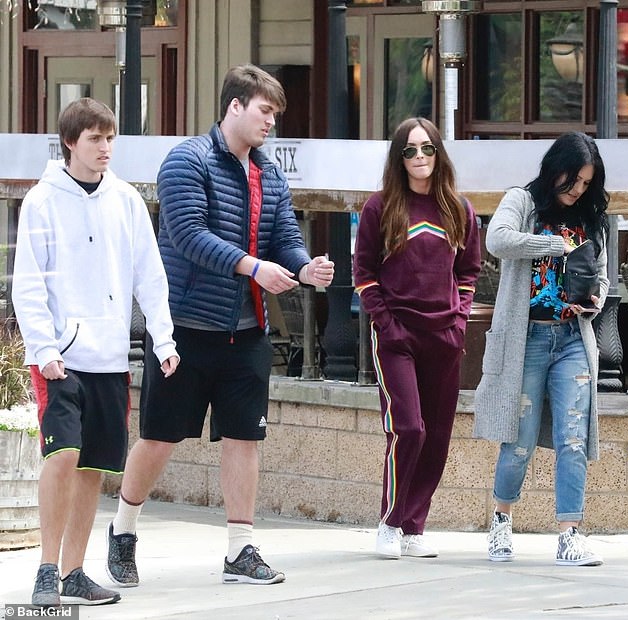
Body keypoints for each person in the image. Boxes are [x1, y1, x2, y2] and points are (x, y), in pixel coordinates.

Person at [106, 63, 334, 587]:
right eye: (265, 110)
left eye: (275, 113)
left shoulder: (268, 174)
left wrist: (302, 267)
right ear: (235, 106)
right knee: (161, 437)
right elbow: (187, 234)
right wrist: (253, 266)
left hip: (247, 330)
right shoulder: (188, 160)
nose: (271, 122)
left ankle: (239, 549)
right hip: (184, 327)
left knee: (244, 438)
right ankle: (123, 529)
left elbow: (283, 236)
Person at [11, 98, 180, 608]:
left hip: (109, 357)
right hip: (59, 359)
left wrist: (164, 338)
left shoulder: (126, 199)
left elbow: (150, 276)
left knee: (92, 467)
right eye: (95, 139)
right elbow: (28, 284)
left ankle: (74, 572)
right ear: (70, 142)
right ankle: (45, 571)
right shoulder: (41, 201)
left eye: (110, 138)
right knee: (61, 456)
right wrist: (43, 349)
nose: (105, 148)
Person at [474, 131, 610, 566]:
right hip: (527, 338)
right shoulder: (523, 201)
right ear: (556, 169)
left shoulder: (591, 218)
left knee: (573, 437)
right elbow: (497, 240)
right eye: (573, 180)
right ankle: (500, 521)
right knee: (519, 439)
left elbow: (602, 277)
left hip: (573, 338)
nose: (577, 191)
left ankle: (570, 532)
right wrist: (555, 245)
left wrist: (594, 300)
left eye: (586, 184)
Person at [353, 117, 481, 559]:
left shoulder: (458, 209)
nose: (420, 157)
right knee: (409, 428)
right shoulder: (380, 206)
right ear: (398, 157)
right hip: (396, 337)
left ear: (438, 152)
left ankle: (414, 526)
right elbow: (363, 273)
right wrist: (385, 323)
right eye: (410, 150)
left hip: (444, 337)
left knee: (438, 434)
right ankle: (390, 521)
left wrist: (459, 320)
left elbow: (469, 272)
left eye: (427, 148)